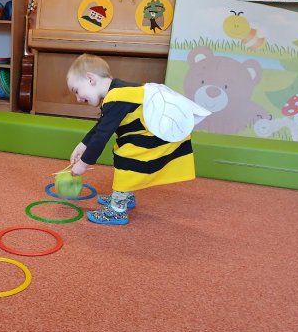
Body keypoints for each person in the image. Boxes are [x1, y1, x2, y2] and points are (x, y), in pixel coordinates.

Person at [67, 54, 208, 225]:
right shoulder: (119, 91)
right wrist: (83, 145)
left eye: (76, 91)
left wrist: (83, 164)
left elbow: (101, 136)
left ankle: (117, 211)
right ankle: (124, 196)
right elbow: (101, 126)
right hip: (150, 134)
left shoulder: (117, 97)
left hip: (154, 138)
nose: (78, 99)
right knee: (123, 149)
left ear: (90, 79)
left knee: (126, 159)